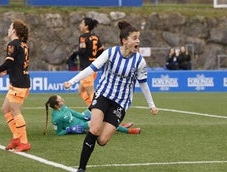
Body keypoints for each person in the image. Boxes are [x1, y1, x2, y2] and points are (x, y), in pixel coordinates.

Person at [63, 20, 159, 172]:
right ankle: (81, 168)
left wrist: (151, 105)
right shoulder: (110, 53)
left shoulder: (140, 61)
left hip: (120, 103)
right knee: (94, 129)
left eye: (138, 38)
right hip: (103, 95)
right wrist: (72, 81)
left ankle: (98, 125)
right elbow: (90, 68)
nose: (138, 41)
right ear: (124, 41)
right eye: (135, 38)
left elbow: (143, 84)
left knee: (101, 140)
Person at [0, 19, 31, 152]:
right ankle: (16, 137)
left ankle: (24, 142)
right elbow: (19, 64)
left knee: (15, 111)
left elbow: (8, 63)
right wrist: (7, 71)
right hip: (20, 81)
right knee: (5, 109)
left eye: (10, 27)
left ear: (14, 30)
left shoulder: (13, 44)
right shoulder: (23, 44)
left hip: (19, 84)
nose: (8, 30)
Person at [43, 95, 141, 135]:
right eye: (60, 100)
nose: (63, 100)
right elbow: (58, 133)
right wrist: (70, 130)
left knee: (96, 109)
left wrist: (84, 116)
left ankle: (120, 125)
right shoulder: (56, 118)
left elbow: (74, 113)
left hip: (82, 119)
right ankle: (128, 131)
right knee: (102, 122)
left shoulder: (63, 107)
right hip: (80, 127)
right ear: (56, 105)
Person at [76, 17, 104, 107]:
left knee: (91, 93)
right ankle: (92, 108)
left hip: (86, 69)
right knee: (81, 91)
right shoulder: (96, 37)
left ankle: (98, 111)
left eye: (82, 23)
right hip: (93, 67)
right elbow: (101, 51)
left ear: (86, 26)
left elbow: (82, 51)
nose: (80, 25)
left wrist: (75, 53)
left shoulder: (83, 37)